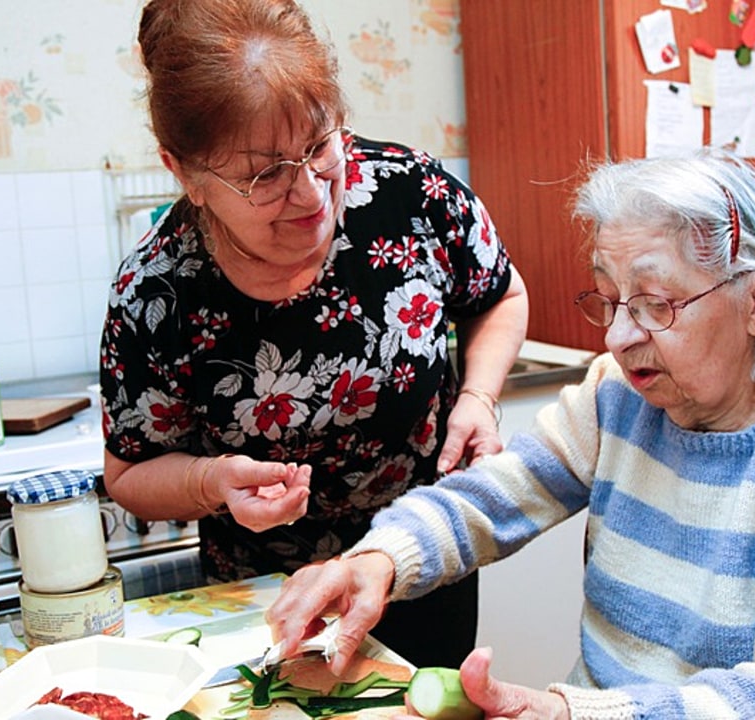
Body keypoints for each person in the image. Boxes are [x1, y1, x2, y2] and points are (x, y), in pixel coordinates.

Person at [266, 149, 755, 719]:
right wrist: (375, 562)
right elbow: (492, 496)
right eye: (609, 300)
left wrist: (571, 711)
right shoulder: (619, 393)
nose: (617, 338)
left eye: (654, 305)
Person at [99, 0, 529, 669]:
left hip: (418, 567)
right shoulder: (158, 290)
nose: (310, 194)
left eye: (319, 146)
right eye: (264, 174)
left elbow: (500, 296)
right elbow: (129, 473)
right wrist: (213, 481)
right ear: (184, 173)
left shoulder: (409, 195)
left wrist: (477, 396)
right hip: (266, 602)